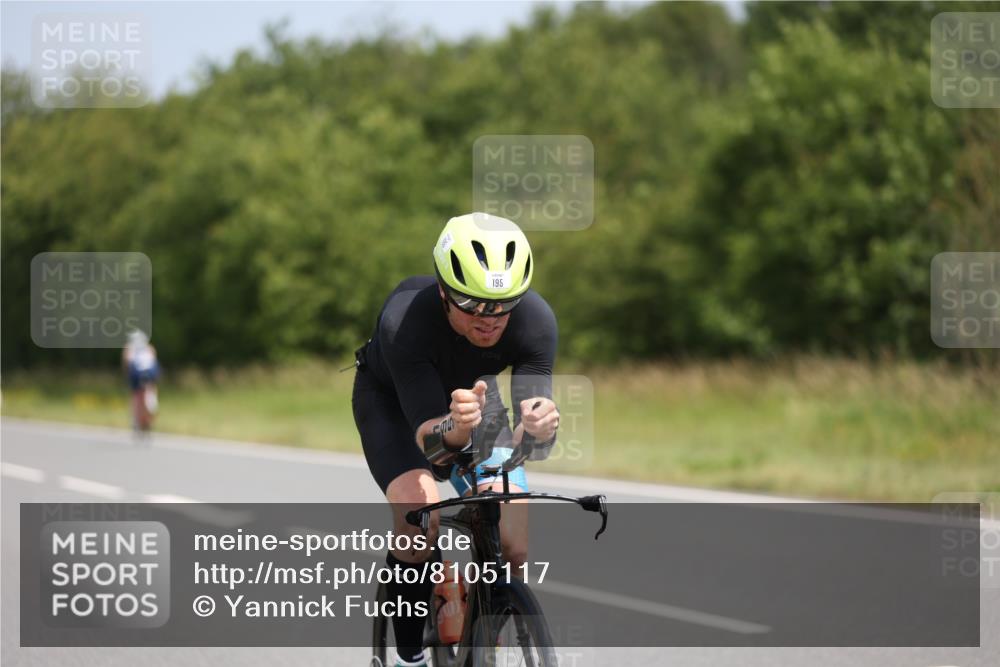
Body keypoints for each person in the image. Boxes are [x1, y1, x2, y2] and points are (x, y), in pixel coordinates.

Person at [352, 212, 560, 667]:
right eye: (473, 304)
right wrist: (457, 429)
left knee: (513, 545)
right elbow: (432, 447)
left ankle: (484, 639)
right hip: (394, 405)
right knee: (417, 514)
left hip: (477, 405)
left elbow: (530, 438)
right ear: (444, 290)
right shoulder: (404, 321)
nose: (490, 319)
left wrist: (540, 428)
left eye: (503, 305)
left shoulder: (536, 321)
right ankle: (409, 657)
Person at [122, 329, 159, 432]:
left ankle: (136, 420)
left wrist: (127, 377)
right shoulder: (150, 348)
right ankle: (151, 411)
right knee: (151, 390)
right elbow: (155, 363)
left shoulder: (129, 348)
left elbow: (126, 363)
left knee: (135, 395)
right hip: (150, 375)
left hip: (136, 375)